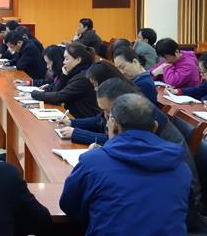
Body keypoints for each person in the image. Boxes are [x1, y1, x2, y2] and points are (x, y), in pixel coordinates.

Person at [60, 94, 191, 236]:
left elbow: (69, 206)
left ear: (115, 125)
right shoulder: (181, 167)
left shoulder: (93, 161)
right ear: (155, 127)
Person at [30, 42, 100, 118]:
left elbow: (59, 96)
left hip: (81, 119)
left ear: (78, 60)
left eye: (66, 59)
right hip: (72, 116)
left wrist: (34, 93)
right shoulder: (73, 72)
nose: (64, 62)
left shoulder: (83, 77)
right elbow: (56, 90)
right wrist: (64, 76)